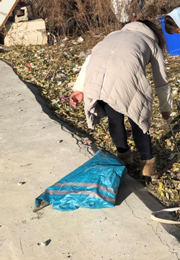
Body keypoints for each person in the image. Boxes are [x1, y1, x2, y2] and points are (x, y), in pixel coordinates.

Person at [69, 20, 172, 181]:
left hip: (98, 79)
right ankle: (148, 169)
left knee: (114, 119)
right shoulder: (151, 43)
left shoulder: (112, 35)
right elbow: (161, 82)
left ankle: (124, 158)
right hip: (126, 79)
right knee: (138, 120)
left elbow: (88, 60)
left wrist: (79, 89)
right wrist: (166, 108)